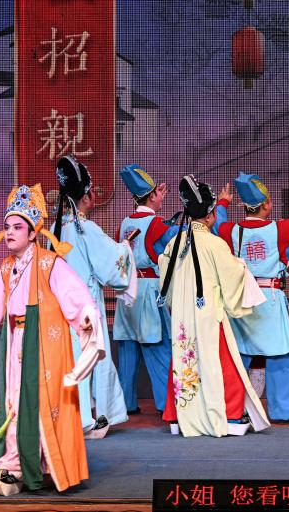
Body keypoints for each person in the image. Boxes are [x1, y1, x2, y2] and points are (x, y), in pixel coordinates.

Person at [0, 184, 103, 496]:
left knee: (41, 404)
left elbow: (77, 298)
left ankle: (42, 465)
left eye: (17, 227)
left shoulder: (50, 263)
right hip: (16, 341)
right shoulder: (7, 267)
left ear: (32, 232)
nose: (10, 232)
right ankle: (15, 465)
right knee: (15, 401)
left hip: (43, 346)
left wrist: (85, 316)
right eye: (7, 227)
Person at [159, 175, 271, 437]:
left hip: (183, 315)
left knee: (183, 359)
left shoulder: (175, 244)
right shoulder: (215, 244)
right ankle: (230, 415)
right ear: (210, 216)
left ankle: (177, 416)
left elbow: (165, 277)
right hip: (208, 314)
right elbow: (232, 276)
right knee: (224, 363)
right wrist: (241, 266)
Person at [215, 166, 289, 423]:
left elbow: (216, 224)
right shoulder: (282, 230)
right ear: (266, 204)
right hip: (270, 298)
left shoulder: (230, 231)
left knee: (239, 355)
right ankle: (284, 412)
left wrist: (222, 203)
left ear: (244, 206)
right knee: (280, 355)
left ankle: (231, 409)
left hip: (241, 298)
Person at [54, 156, 136, 438]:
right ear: (87, 196)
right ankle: (96, 417)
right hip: (86, 305)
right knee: (95, 358)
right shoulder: (85, 229)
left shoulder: (57, 229)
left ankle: (75, 415)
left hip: (63, 307)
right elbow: (111, 268)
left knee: (73, 358)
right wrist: (125, 248)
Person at [114, 165, 179, 416]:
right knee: (158, 347)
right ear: (152, 196)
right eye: (157, 194)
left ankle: (126, 404)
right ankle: (167, 405)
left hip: (126, 291)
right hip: (149, 289)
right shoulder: (158, 224)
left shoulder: (124, 223)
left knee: (128, 349)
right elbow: (175, 244)